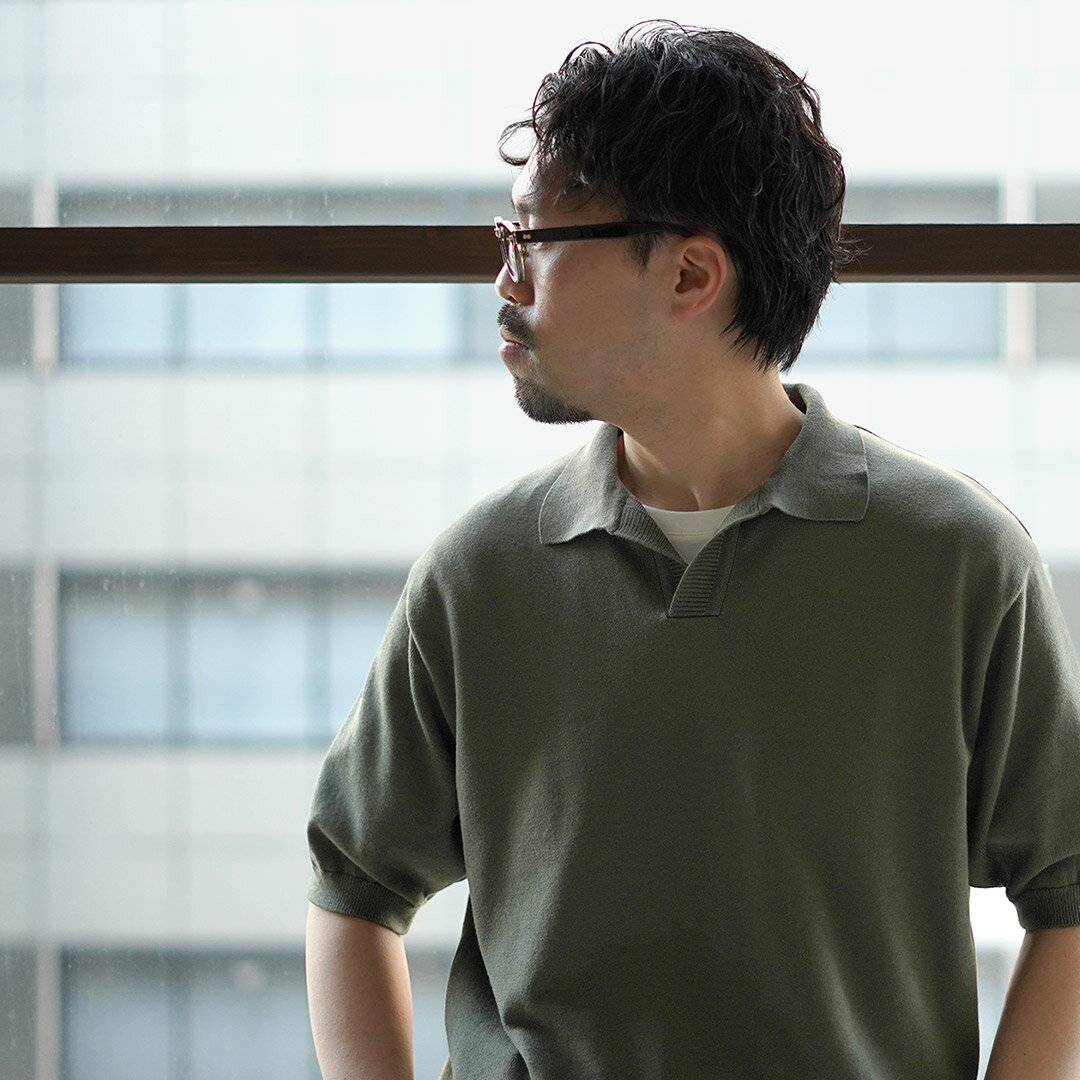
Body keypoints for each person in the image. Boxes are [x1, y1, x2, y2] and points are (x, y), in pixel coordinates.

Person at [304, 20, 1080, 1080]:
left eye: (536, 238)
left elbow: (1068, 893)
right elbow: (352, 885)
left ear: (690, 275)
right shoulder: (479, 572)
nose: (506, 280)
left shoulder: (959, 562)